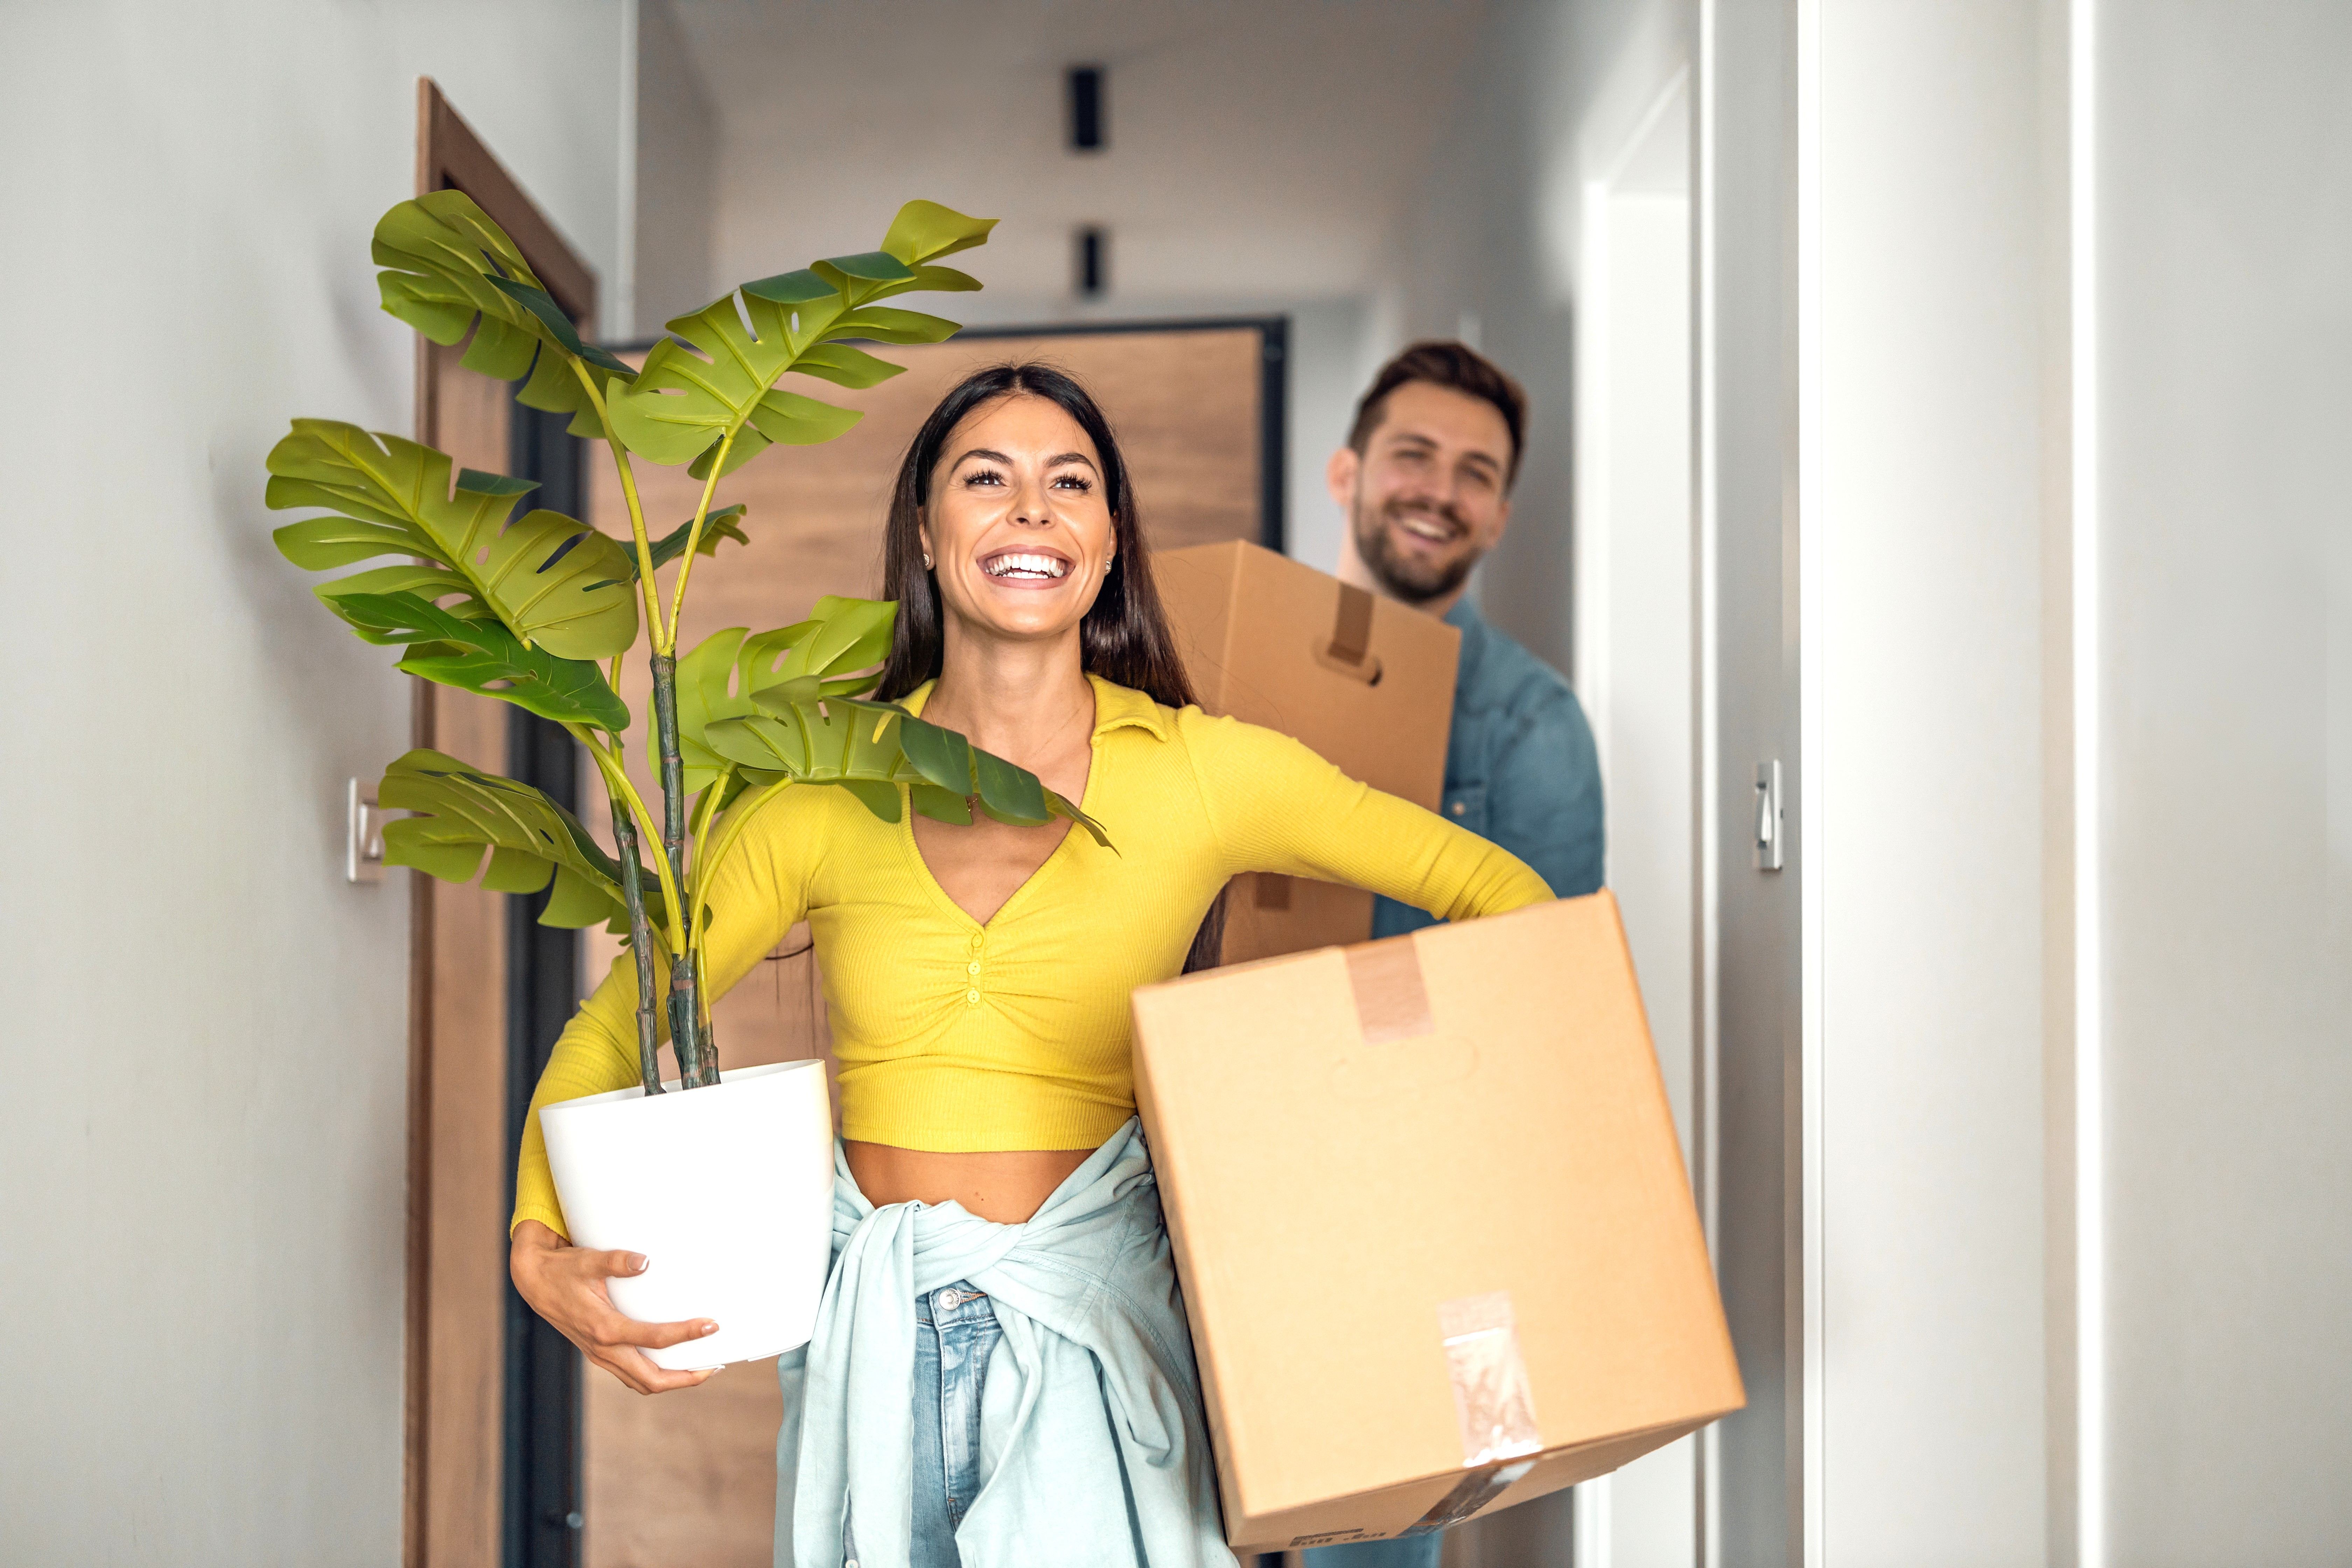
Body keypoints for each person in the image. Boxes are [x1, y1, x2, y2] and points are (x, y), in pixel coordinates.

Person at [507, 363, 1554, 1568]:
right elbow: (622, 1021)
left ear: (1108, 544)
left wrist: (1393, 1145)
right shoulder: (823, 788)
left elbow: (1502, 896)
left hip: (1104, 1351)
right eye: (985, 479)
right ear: (927, 531)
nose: (1029, 509)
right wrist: (537, 1237)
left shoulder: (1204, 772)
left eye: (1070, 482)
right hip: (873, 1356)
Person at [1303, 345, 1604, 1568]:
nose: (1440, 490)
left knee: (1371, 1550)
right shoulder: (1236, 673)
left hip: (1417, 1203)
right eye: (1414, 456)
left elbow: (1545, 1008)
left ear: (1501, 513)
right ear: (1347, 471)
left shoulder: (1529, 724)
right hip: (1212, 1158)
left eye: (1476, 474)